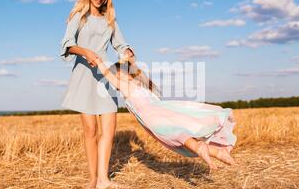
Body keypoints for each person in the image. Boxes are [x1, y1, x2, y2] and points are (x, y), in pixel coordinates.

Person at [95, 57, 238, 172]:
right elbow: (130, 68)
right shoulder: (143, 86)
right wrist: (129, 60)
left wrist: (98, 62)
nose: (117, 77)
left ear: (128, 73)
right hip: (166, 111)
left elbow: (108, 75)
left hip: (153, 116)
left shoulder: (128, 86)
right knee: (180, 131)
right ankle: (218, 152)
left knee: (175, 135)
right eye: (116, 74)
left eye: (119, 73)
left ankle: (199, 147)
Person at [60, 0, 135, 189]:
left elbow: (120, 43)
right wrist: (86, 52)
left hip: (105, 74)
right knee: (91, 130)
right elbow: (67, 44)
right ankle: (93, 178)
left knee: (109, 129)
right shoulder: (79, 16)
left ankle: (104, 180)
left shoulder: (110, 19)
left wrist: (127, 52)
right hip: (84, 74)